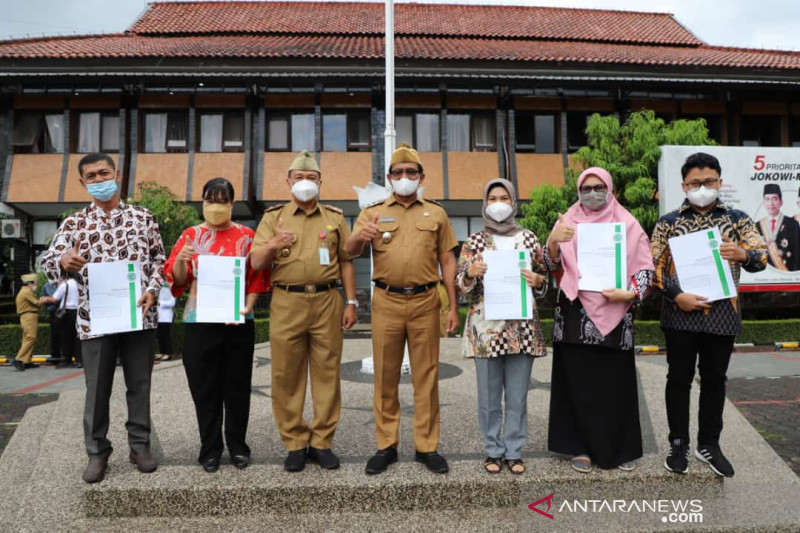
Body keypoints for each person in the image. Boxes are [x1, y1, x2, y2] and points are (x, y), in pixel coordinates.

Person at [41, 152, 166, 484]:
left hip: (139, 316)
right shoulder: (73, 223)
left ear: (118, 174)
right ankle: (97, 452)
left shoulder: (144, 217)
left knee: (139, 385)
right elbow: (48, 263)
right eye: (91, 176)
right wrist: (63, 261)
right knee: (96, 389)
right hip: (94, 319)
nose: (98, 180)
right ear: (82, 182)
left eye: (103, 173)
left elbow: (159, 261)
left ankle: (140, 446)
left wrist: (153, 290)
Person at [346, 143, 460, 475]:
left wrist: (453, 306)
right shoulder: (373, 211)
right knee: (385, 375)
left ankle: (426, 446)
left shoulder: (435, 213)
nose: (405, 178)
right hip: (387, 302)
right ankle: (386, 445)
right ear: (389, 177)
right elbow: (349, 251)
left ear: (421, 176)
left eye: (411, 172)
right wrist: (360, 237)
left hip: (426, 301)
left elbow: (448, 261)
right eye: (399, 173)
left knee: (426, 375)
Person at [652, 152, 767, 478]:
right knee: (678, 379)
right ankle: (678, 444)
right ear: (683, 185)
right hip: (680, 315)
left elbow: (760, 256)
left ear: (720, 182)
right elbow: (653, 267)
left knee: (715, 380)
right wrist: (678, 296)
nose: (702, 187)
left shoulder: (738, 219)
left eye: (709, 182)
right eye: (695, 183)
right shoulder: (669, 222)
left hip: (722, 315)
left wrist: (742, 253)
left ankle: (710, 444)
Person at [542, 167, 654, 474]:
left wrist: (630, 293)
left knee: (616, 384)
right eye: (586, 188)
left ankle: (620, 447)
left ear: (609, 187)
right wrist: (553, 240)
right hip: (575, 316)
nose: (592, 193)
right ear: (578, 191)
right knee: (578, 384)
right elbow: (550, 264)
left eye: (598, 187)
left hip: (615, 312)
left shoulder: (628, 223)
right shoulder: (567, 221)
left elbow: (646, 268)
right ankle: (580, 446)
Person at [250, 151, 356, 472]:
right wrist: (272, 244)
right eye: (299, 178)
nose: (305, 184)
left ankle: (322, 441)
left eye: (311, 178)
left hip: (327, 300)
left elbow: (346, 261)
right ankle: (295, 442)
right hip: (287, 301)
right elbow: (255, 262)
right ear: (288, 182)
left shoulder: (335, 217)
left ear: (320, 182)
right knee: (285, 375)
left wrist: (351, 302)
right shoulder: (273, 217)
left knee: (327, 373)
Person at [165, 177, 270, 473]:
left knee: (237, 386)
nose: (215, 206)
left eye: (222, 200)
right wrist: (182, 260)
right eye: (210, 200)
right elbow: (177, 279)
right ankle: (209, 448)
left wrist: (248, 307)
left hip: (237, 319)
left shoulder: (247, 236)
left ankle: (238, 446)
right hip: (200, 321)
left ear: (232, 204)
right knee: (204, 387)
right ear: (202, 202)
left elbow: (257, 278)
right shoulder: (190, 235)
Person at [456, 178, 548, 475]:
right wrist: (469, 273)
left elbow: (545, 279)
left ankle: (514, 450)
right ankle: (493, 450)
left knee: (518, 395)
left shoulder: (530, 239)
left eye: (504, 197)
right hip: (487, 331)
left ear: (513, 203)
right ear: (485, 203)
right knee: (488, 396)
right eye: (492, 197)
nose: (498, 203)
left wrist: (539, 281)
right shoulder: (474, 241)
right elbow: (461, 286)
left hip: (521, 330)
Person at [755, 184, 800, 271]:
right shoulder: (757, 226)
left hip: (787, 274)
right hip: (765, 275)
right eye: (767, 199)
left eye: (774, 199)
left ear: (781, 202)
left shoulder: (792, 223)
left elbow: (797, 255)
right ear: (763, 202)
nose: (771, 203)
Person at [13, 273, 51, 371]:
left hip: (28, 316)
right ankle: (19, 359)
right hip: (28, 316)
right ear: (30, 283)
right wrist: (45, 299)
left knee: (28, 338)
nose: (36, 285)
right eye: (35, 283)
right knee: (31, 337)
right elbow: (37, 303)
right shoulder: (26, 291)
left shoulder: (25, 291)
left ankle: (27, 361)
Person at [52, 278, 81, 368]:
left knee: (65, 337)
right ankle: (79, 360)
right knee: (77, 337)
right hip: (78, 312)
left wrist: (43, 299)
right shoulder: (80, 284)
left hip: (66, 313)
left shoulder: (65, 285)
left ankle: (67, 360)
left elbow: (55, 299)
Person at [41, 280, 61, 364]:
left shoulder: (62, 284)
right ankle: (55, 356)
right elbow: (43, 299)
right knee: (54, 335)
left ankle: (65, 355)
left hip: (62, 311)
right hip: (52, 312)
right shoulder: (46, 285)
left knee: (64, 334)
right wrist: (50, 301)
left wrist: (50, 299)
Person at [155, 286, 175, 362]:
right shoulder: (157, 289)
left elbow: (172, 303)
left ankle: (168, 353)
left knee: (165, 335)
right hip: (158, 316)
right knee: (160, 336)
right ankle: (162, 352)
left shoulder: (169, 289)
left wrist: (159, 302)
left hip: (166, 317)